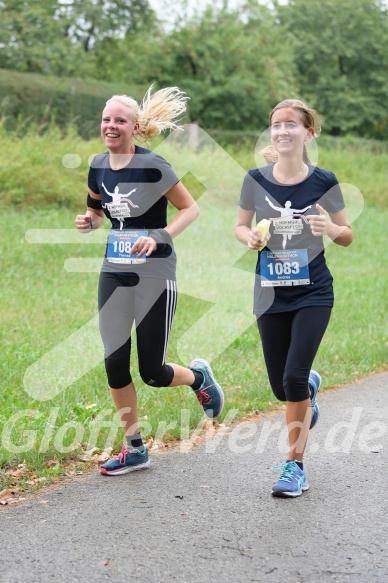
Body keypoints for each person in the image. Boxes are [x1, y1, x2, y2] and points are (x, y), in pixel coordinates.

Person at [75, 85, 224, 476]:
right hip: (114, 270)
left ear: (134, 126)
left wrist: (160, 235)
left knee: (153, 372)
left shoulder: (154, 165)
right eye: (106, 119)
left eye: (119, 120)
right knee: (114, 361)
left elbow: (190, 209)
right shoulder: (97, 165)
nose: (111, 126)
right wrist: (89, 222)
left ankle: (198, 377)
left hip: (156, 273)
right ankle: (134, 447)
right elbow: (96, 210)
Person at [235, 99, 353, 497]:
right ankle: (308, 391)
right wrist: (249, 237)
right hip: (269, 293)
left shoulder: (324, 181)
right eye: (276, 125)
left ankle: (295, 466)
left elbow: (347, 233)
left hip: (313, 292)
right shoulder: (255, 179)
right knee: (282, 389)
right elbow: (239, 226)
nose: (282, 131)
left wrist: (329, 228)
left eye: (291, 125)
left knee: (292, 377)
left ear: (309, 133)